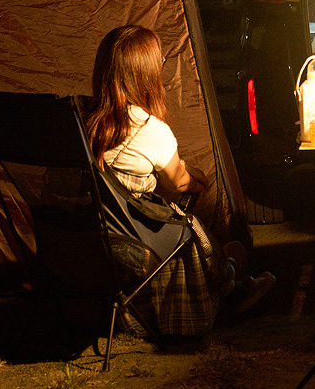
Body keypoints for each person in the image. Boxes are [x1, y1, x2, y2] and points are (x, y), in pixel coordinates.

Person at [85, 24, 274, 336]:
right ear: (144, 74)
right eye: (159, 63)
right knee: (188, 218)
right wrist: (197, 179)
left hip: (90, 239)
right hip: (136, 244)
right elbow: (179, 183)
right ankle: (229, 281)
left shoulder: (85, 122)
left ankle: (227, 272)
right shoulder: (148, 129)